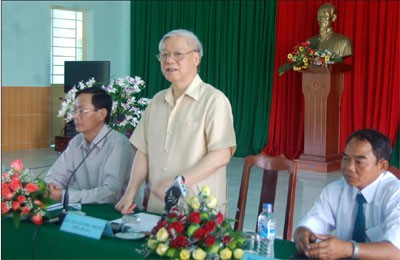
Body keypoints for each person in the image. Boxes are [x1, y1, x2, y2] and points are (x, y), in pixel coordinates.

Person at [115, 29, 236, 214]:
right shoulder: (156, 101)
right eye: (164, 55)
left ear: (196, 58)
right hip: (158, 208)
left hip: (199, 211)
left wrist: (178, 183)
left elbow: (221, 154)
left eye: (178, 54)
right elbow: (143, 151)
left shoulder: (214, 100)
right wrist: (130, 193)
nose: (169, 60)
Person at [294, 129, 400, 259]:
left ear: (382, 166)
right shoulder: (335, 190)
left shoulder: (395, 194)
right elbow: (315, 221)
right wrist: (303, 232)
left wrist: (349, 249)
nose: (348, 167)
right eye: (345, 158)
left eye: (359, 162)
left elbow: (396, 251)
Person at [45, 87, 135, 204]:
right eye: (75, 110)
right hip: (87, 212)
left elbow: (111, 193)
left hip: (118, 213)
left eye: (82, 111)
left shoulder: (118, 143)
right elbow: (55, 177)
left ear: (102, 114)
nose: (75, 116)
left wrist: (66, 196)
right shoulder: (76, 142)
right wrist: (50, 188)